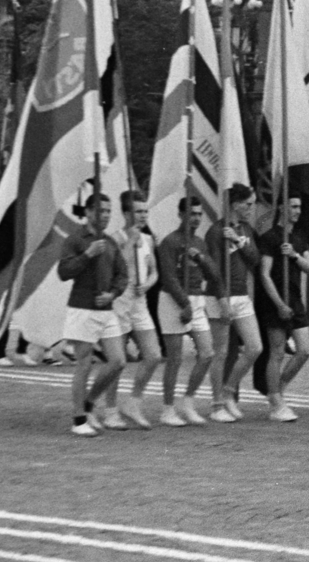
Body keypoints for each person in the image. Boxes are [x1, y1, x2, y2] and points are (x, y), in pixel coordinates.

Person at [92, 191, 165, 429]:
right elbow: (114, 268)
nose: (143, 215)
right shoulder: (115, 238)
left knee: (153, 355)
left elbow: (154, 270)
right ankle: (110, 409)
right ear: (126, 214)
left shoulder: (148, 239)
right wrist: (130, 242)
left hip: (139, 302)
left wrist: (148, 284)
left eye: (145, 211)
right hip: (119, 302)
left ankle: (133, 401)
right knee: (118, 360)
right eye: (138, 211)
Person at [59, 192, 128, 437]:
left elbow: (123, 274)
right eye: (101, 211)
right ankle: (78, 419)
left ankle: (88, 403)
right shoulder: (76, 239)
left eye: (109, 211)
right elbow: (64, 271)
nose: (106, 215)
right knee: (84, 363)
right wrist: (87, 254)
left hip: (105, 310)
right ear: (88, 213)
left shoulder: (109, 242)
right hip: (82, 308)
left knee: (118, 361)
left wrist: (112, 294)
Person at [154, 196, 221, 426]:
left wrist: (200, 258)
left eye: (199, 214)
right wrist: (184, 303)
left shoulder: (199, 243)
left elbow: (214, 274)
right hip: (173, 300)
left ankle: (188, 401)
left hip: (197, 299)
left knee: (207, 353)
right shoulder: (169, 242)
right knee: (175, 358)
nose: (196, 218)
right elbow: (169, 277)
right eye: (192, 214)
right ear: (181, 214)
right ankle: (167, 409)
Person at [206, 184, 265, 422]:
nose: (251, 208)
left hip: (241, 294)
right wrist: (222, 299)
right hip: (220, 295)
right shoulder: (216, 230)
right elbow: (213, 269)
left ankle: (229, 391)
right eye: (248, 204)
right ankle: (216, 404)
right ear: (235, 204)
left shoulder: (246, 229)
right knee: (220, 352)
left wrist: (239, 242)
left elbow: (256, 259)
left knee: (254, 347)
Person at [256, 193, 309, 422]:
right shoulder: (270, 237)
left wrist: (294, 255)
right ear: (282, 207)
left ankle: (277, 389)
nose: (297, 210)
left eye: (299, 206)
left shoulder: (299, 237)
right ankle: (276, 402)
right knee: (278, 351)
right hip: (275, 301)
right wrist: (279, 304)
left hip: (295, 299)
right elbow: (264, 274)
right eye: (293, 206)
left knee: (305, 349)